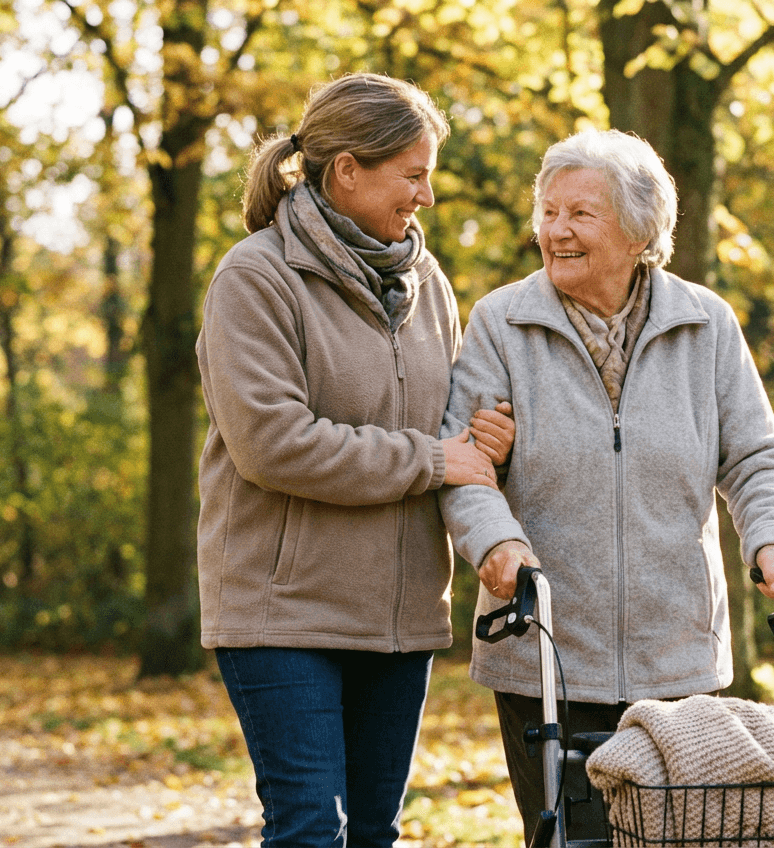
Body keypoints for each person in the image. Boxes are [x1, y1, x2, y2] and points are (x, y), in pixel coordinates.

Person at [438, 129, 774, 842]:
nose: (556, 231)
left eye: (581, 214)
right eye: (548, 212)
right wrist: (493, 542)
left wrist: (773, 538)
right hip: (543, 649)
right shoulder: (500, 322)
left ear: (640, 229)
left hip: (676, 658)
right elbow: (464, 465)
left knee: (684, 838)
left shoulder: (705, 325)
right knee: (566, 839)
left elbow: (758, 455)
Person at [195, 73, 514, 848]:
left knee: (375, 833)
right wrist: (434, 459)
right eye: (413, 174)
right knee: (310, 830)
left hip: (400, 615)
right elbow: (273, 443)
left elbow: (447, 425)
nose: (427, 197)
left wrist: (487, 439)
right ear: (347, 171)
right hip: (285, 611)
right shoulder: (256, 277)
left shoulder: (426, 281)